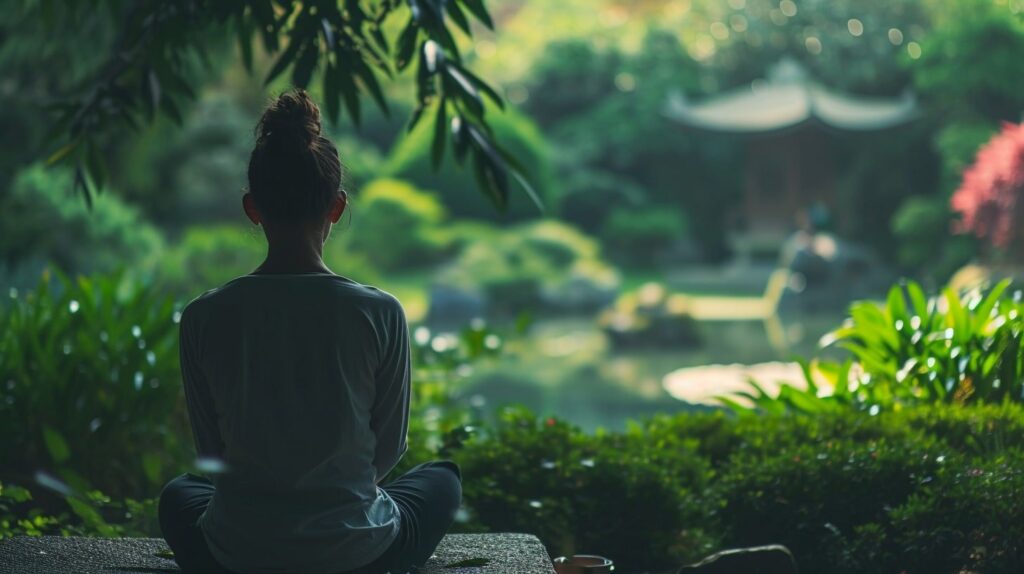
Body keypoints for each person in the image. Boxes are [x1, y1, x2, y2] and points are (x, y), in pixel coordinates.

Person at [158, 90, 461, 574]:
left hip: (237, 553)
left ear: (252, 207)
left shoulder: (204, 316)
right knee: (443, 479)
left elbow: (211, 453)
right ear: (337, 207)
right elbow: (388, 449)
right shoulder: (379, 311)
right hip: (359, 553)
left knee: (179, 494)